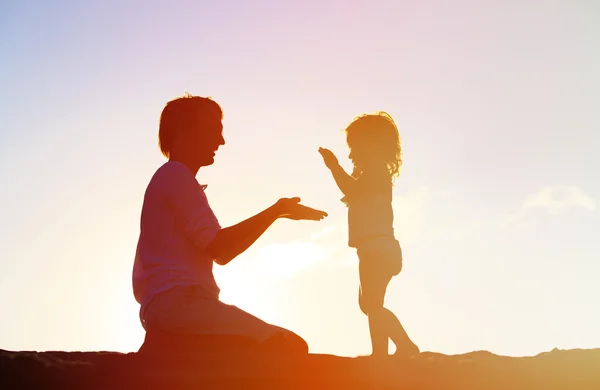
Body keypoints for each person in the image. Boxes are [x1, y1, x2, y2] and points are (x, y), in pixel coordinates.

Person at [132, 93, 327, 354]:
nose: (221, 141)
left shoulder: (174, 178)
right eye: (213, 130)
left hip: (177, 308)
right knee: (286, 348)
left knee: (293, 345)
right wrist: (276, 211)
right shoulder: (175, 175)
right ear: (185, 130)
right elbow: (220, 248)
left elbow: (220, 252)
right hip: (179, 307)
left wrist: (277, 213)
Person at [318, 112, 419, 358]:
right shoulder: (370, 175)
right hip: (374, 249)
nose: (351, 154)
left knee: (372, 305)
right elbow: (352, 189)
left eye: (354, 148)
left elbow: (350, 189)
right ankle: (397, 348)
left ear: (371, 145)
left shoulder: (376, 172)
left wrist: (333, 166)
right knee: (369, 305)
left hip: (378, 249)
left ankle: (384, 353)